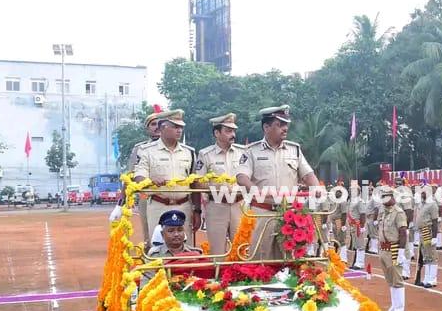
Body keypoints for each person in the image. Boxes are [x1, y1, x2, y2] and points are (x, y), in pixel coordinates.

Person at [235, 105, 319, 260]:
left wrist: (316, 187)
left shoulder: (294, 150)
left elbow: (308, 175)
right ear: (266, 127)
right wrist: (255, 190)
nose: (285, 128)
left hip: (289, 214)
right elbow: (241, 176)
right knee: (261, 258)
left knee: (289, 260)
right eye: (279, 125)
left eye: (286, 124)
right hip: (262, 212)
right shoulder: (251, 151)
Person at [131, 110, 200, 246]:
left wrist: (197, 210)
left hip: (184, 206)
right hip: (158, 205)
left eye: (180, 127)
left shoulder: (189, 152)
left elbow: (194, 183)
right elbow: (138, 175)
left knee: (185, 249)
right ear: (163, 127)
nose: (179, 130)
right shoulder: (146, 151)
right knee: (158, 249)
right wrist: (148, 182)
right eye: (175, 127)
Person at [195, 113, 248, 255]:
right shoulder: (205, 154)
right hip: (217, 205)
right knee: (217, 252)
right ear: (217, 133)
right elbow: (198, 182)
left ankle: (241, 277)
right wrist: (218, 188)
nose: (233, 134)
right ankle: (218, 277)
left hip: (239, 205)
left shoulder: (243, 152)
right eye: (228, 131)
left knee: (241, 249)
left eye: (233, 131)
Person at [114, 108, 164, 235]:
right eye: (153, 124)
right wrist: (120, 204)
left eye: (160, 123)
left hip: (173, 196)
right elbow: (130, 175)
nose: (157, 127)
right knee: (150, 236)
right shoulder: (140, 149)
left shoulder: (181, 149)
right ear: (147, 129)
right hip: (147, 197)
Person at [143, 209, 205, 283]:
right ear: (162, 234)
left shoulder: (195, 254)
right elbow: (146, 284)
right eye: (171, 231)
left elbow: (204, 281)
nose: (176, 234)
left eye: (180, 230)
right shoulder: (154, 256)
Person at [376, 185, 409, 311]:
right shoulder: (383, 211)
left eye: (385, 196)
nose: (383, 199)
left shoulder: (398, 212)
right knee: (390, 280)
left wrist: (401, 252)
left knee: (397, 279)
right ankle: (394, 306)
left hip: (394, 248)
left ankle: (399, 309)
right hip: (384, 248)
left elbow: (403, 233)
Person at [416, 184, 440, 287]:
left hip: (428, 231)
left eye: (424, 192)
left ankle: (432, 278)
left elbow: (435, 221)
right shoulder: (422, 204)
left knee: (431, 255)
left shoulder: (432, 205)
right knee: (425, 255)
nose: (422, 193)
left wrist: (434, 237)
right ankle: (426, 278)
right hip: (422, 231)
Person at [347, 186, 368, 270]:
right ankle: (356, 261)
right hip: (352, 225)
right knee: (355, 244)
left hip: (358, 225)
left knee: (360, 244)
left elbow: (363, 214)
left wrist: (362, 226)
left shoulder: (360, 202)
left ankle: (360, 263)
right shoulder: (351, 201)